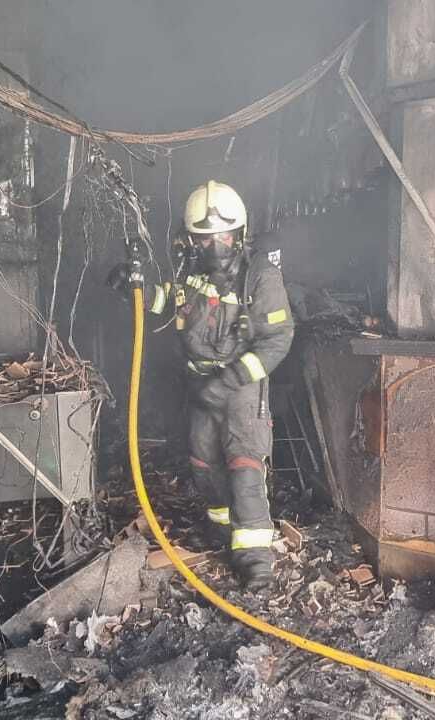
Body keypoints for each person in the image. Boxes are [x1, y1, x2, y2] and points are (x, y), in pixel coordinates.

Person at [119, 180, 294, 590]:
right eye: (205, 238)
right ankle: (223, 531)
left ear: (240, 235)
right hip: (200, 385)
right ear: (190, 241)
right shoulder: (192, 276)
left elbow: (278, 340)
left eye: (224, 235)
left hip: (241, 389)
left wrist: (229, 380)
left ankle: (255, 561)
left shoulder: (260, 278)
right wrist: (136, 292)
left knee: (245, 466)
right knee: (202, 465)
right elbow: (171, 302)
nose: (215, 245)